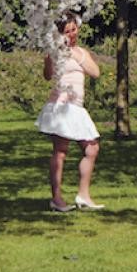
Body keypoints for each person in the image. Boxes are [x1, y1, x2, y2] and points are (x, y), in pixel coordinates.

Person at [35, 12, 103, 212]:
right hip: (61, 105)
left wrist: (75, 54)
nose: (72, 34)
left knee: (92, 149)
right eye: (67, 31)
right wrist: (53, 54)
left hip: (78, 107)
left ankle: (83, 195)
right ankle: (56, 198)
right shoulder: (55, 51)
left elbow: (95, 72)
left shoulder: (81, 52)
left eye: (74, 29)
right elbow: (47, 75)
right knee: (61, 150)